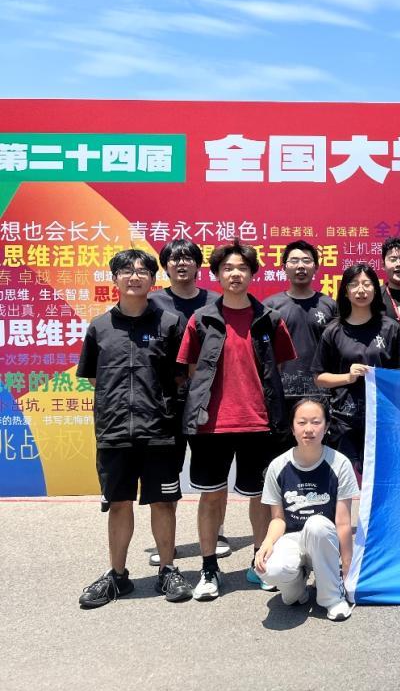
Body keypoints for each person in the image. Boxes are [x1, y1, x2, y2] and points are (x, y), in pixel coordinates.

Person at [178, 239, 297, 601]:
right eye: (227, 268)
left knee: (261, 499)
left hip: (259, 424)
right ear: (216, 274)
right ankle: (209, 568)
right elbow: (194, 370)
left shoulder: (269, 318)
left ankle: (260, 564)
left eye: (242, 268)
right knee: (212, 497)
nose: (235, 274)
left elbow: (277, 366)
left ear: (252, 274)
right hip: (211, 425)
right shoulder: (201, 319)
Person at [77, 249, 192, 607]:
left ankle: (168, 570)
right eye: (126, 270)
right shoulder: (99, 326)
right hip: (114, 432)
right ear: (115, 279)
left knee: (163, 503)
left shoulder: (170, 323)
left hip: (160, 431)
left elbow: (182, 374)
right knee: (119, 503)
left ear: (153, 280)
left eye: (142, 271)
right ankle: (117, 576)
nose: (134, 276)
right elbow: (94, 378)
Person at [146, 238, 229, 566]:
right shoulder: (152, 303)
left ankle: (217, 533)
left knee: (214, 473)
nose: (181, 264)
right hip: (166, 403)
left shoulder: (216, 301)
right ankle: (168, 543)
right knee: (167, 474)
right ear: (165, 266)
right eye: (174, 259)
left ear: (198, 265)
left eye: (188, 258)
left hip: (208, 401)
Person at [255, 398, 359, 622]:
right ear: (293, 428)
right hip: (292, 538)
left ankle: (332, 597)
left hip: (324, 540)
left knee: (317, 524)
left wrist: (347, 565)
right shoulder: (277, 466)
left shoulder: (340, 463)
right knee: (270, 572)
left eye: (316, 422)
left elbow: (343, 522)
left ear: (327, 426)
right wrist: (267, 543)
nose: (309, 429)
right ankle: (298, 583)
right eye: (302, 423)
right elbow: (278, 519)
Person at [313, 263, 400, 471]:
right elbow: (319, 377)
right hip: (344, 420)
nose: (361, 290)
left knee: (379, 476)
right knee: (344, 477)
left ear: (375, 290)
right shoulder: (333, 330)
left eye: (367, 284)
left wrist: (382, 376)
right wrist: (347, 377)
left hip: (382, 418)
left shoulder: (390, 327)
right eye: (354, 284)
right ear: (345, 292)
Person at [263, 239, 338, 404]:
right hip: (281, 392)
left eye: (306, 260)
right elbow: (263, 352)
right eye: (294, 261)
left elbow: (336, 350)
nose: (300, 266)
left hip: (321, 393)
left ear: (316, 267)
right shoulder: (270, 307)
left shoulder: (330, 305)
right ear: (284, 267)